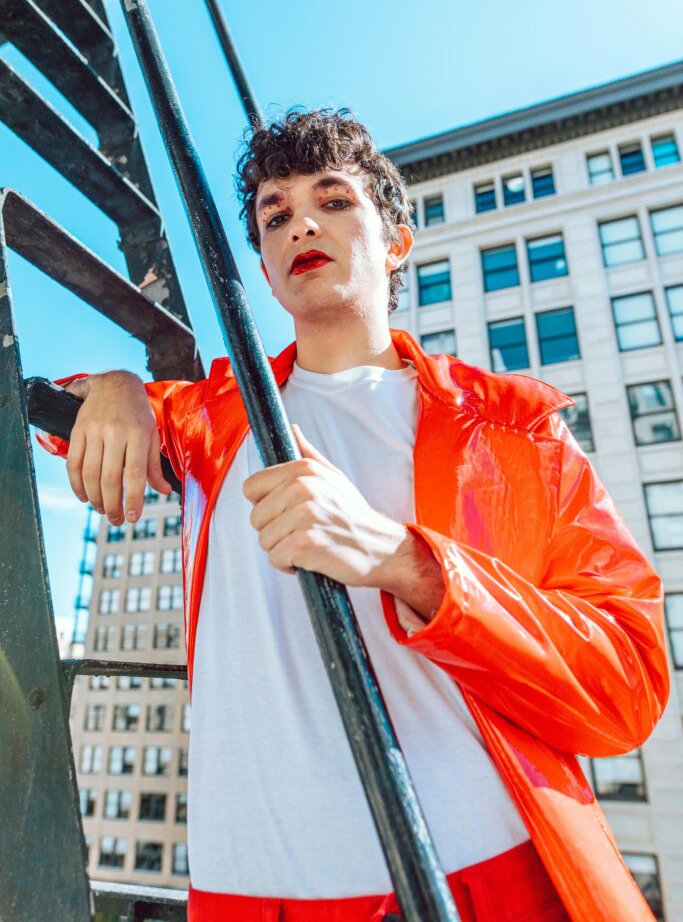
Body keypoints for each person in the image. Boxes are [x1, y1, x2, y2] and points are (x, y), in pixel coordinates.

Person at [40, 109, 669, 922]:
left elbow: (625, 686)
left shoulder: (516, 431)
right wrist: (120, 385)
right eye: (275, 214)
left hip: (481, 876)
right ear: (266, 274)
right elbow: (73, 414)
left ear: (396, 242)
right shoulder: (211, 420)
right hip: (246, 893)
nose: (300, 219)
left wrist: (405, 561)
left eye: (333, 201)